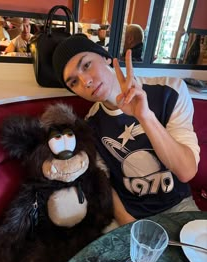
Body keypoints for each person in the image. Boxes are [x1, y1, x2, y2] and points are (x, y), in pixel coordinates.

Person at [52, 34, 200, 225]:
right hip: (131, 215)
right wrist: (129, 226)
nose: (85, 81)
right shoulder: (90, 125)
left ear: (105, 57)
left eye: (86, 65)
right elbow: (105, 184)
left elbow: (186, 171)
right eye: (73, 82)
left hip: (179, 205)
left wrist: (145, 116)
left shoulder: (170, 91)